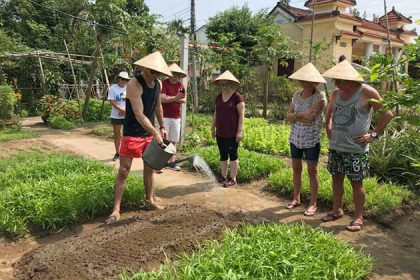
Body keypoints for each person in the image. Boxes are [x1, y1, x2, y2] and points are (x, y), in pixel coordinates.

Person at [322, 60, 393, 231]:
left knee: (356, 183)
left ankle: (358, 217)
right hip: (336, 146)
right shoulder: (335, 93)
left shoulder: (366, 92)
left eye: (341, 81)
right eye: (336, 81)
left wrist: (373, 135)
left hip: (356, 149)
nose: (338, 84)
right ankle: (337, 209)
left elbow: (387, 114)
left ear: (352, 79)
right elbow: (330, 112)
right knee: (336, 178)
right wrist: (328, 126)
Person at [106, 51, 172, 224]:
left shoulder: (157, 84)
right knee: (124, 170)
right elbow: (138, 113)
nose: (155, 75)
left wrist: (162, 126)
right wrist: (155, 132)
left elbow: (158, 107)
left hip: (149, 133)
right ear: (144, 68)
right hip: (132, 132)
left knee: (149, 168)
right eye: (152, 71)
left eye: (158, 72)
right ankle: (116, 209)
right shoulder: (134, 84)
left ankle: (149, 201)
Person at [286, 63, 327, 216]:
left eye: (306, 79)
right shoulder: (297, 95)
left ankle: (313, 203)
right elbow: (288, 116)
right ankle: (296, 198)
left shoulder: (319, 97)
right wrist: (299, 115)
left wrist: (296, 116)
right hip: (295, 137)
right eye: (301, 79)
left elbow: (311, 118)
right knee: (296, 168)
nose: (302, 81)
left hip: (311, 139)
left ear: (314, 81)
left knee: (312, 170)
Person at [211, 70, 245, 187]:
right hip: (220, 132)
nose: (224, 84)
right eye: (222, 82)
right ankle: (223, 176)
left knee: (233, 155)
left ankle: (233, 178)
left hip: (232, 132)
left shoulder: (237, 97)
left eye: (226, 82)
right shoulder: (218, 97)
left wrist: (239, 131)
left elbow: (241, 115)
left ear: (231, 83)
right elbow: (216, 113)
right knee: (223, 155)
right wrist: (212, 128)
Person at [160, 63, 187, 171]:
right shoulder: (164, 83)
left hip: (176, 117)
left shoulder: (181, 86)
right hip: (164, 116)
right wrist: (176, 98)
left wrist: (170, 98)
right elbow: (162, 99)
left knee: (173, 140)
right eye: (172, 73)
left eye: (177, 74)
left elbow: (184, 100)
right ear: (169, 74)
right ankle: (161, 163)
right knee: (163, 140)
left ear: (179, 75)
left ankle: (171, 163)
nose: (174, 75)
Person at [108, 71, 130, 161]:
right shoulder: (113, 88)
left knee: (127, 134)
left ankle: (126, 152)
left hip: (127, 114)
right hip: (116, 115)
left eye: (126, 80)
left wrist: (125, 110)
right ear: (119, 79)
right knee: (117, 134)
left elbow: (132, 100)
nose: (124, 81)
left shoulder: (129, 88)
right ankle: (118, 152)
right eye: (122, 79)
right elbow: (111, 100)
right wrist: (120, 109)